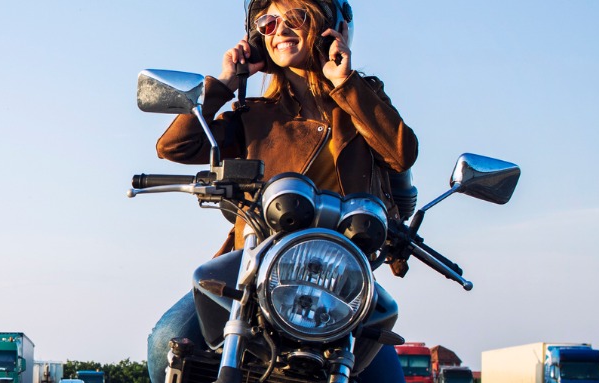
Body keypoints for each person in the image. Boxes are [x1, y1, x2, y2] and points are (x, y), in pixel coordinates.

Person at [145, 0, 416, 382]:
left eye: (296, 18)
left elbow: (401, 154)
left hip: (337, 277)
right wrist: (223, 84)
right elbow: (175, 148)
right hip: (255, 265)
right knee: (166, 343)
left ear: (330, 28)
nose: (280, 30)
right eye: (268, 23)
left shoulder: (361, 97)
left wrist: (346, 84)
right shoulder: (254, 113)